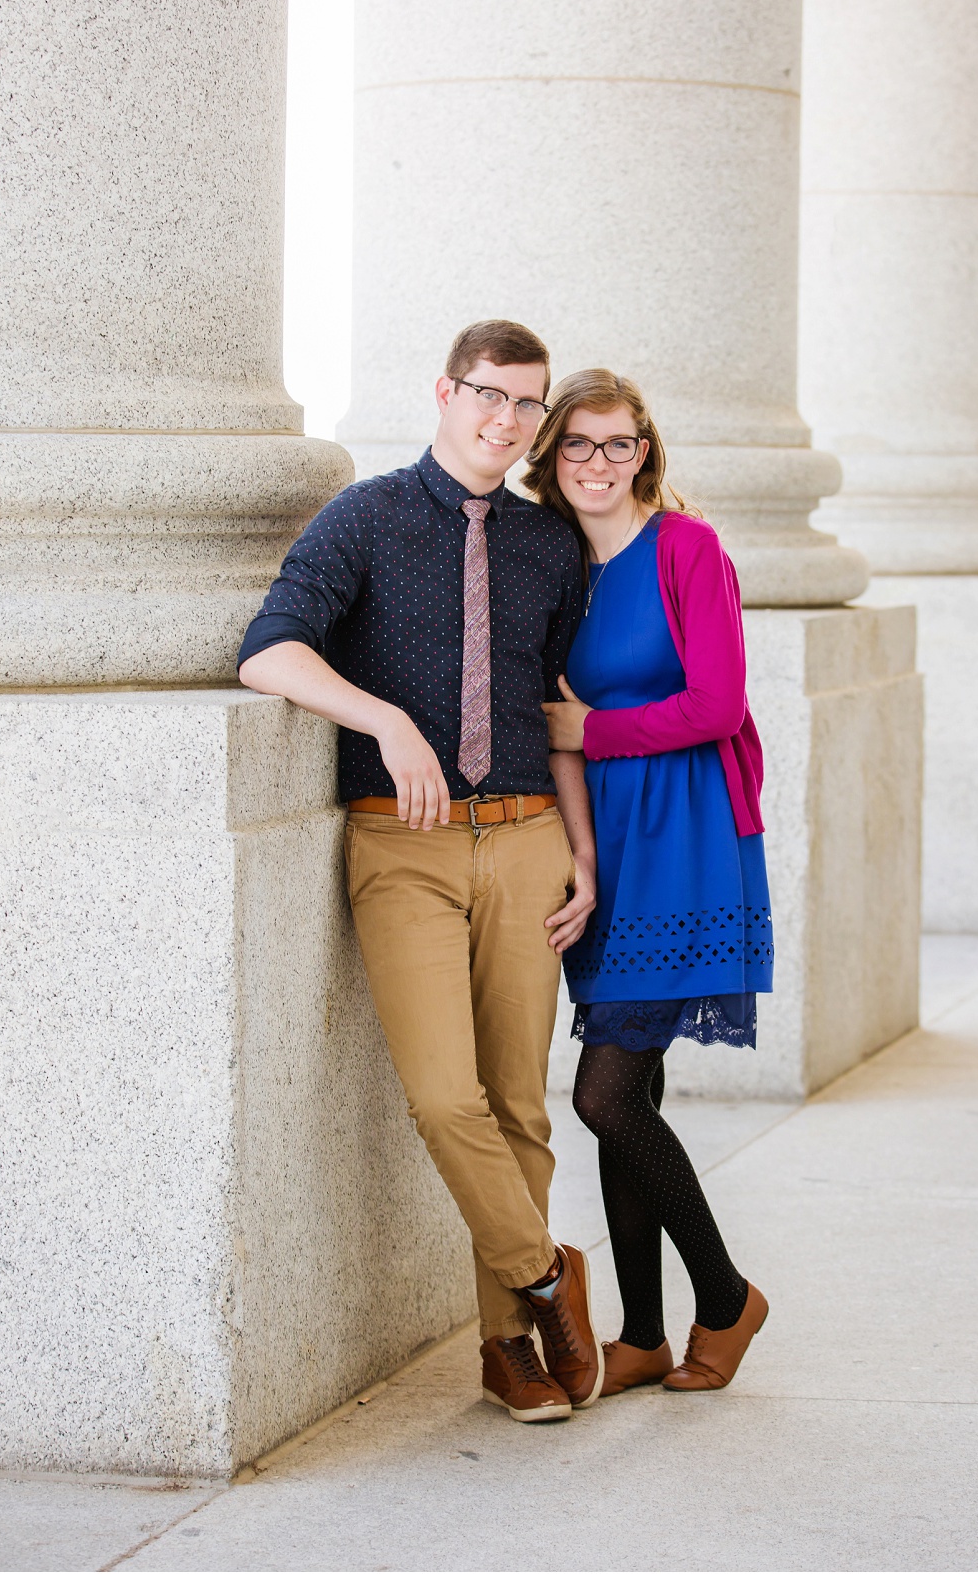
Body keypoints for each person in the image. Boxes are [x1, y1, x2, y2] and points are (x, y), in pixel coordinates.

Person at [237, 321, 605, 1424]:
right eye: (488, 395)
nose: (505, 421)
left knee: (519, 1103)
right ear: (445, 392)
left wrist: (585, 853)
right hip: (403, 845)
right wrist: (383, 719)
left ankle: (509, 1348)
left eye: (526, 406)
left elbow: (559, 708)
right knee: (448, 1097)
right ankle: (546, 1274)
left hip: (532, 836)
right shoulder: (369, 515)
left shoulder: (551, 547)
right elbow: (269, 646)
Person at [524, 367, 773, 1397]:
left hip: (688, 837)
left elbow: (719, 702)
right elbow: (550, 727)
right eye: (577, 445)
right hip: (606, 843)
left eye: (616, 444)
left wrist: (597, 728)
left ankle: (726, 1298)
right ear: (552, 459)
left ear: (645, 452)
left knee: (606, 1092)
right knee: (636, 1086)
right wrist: (579, 844)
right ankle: (640, 1334)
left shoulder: (687, 547)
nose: (597, 463)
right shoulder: (555, 572)